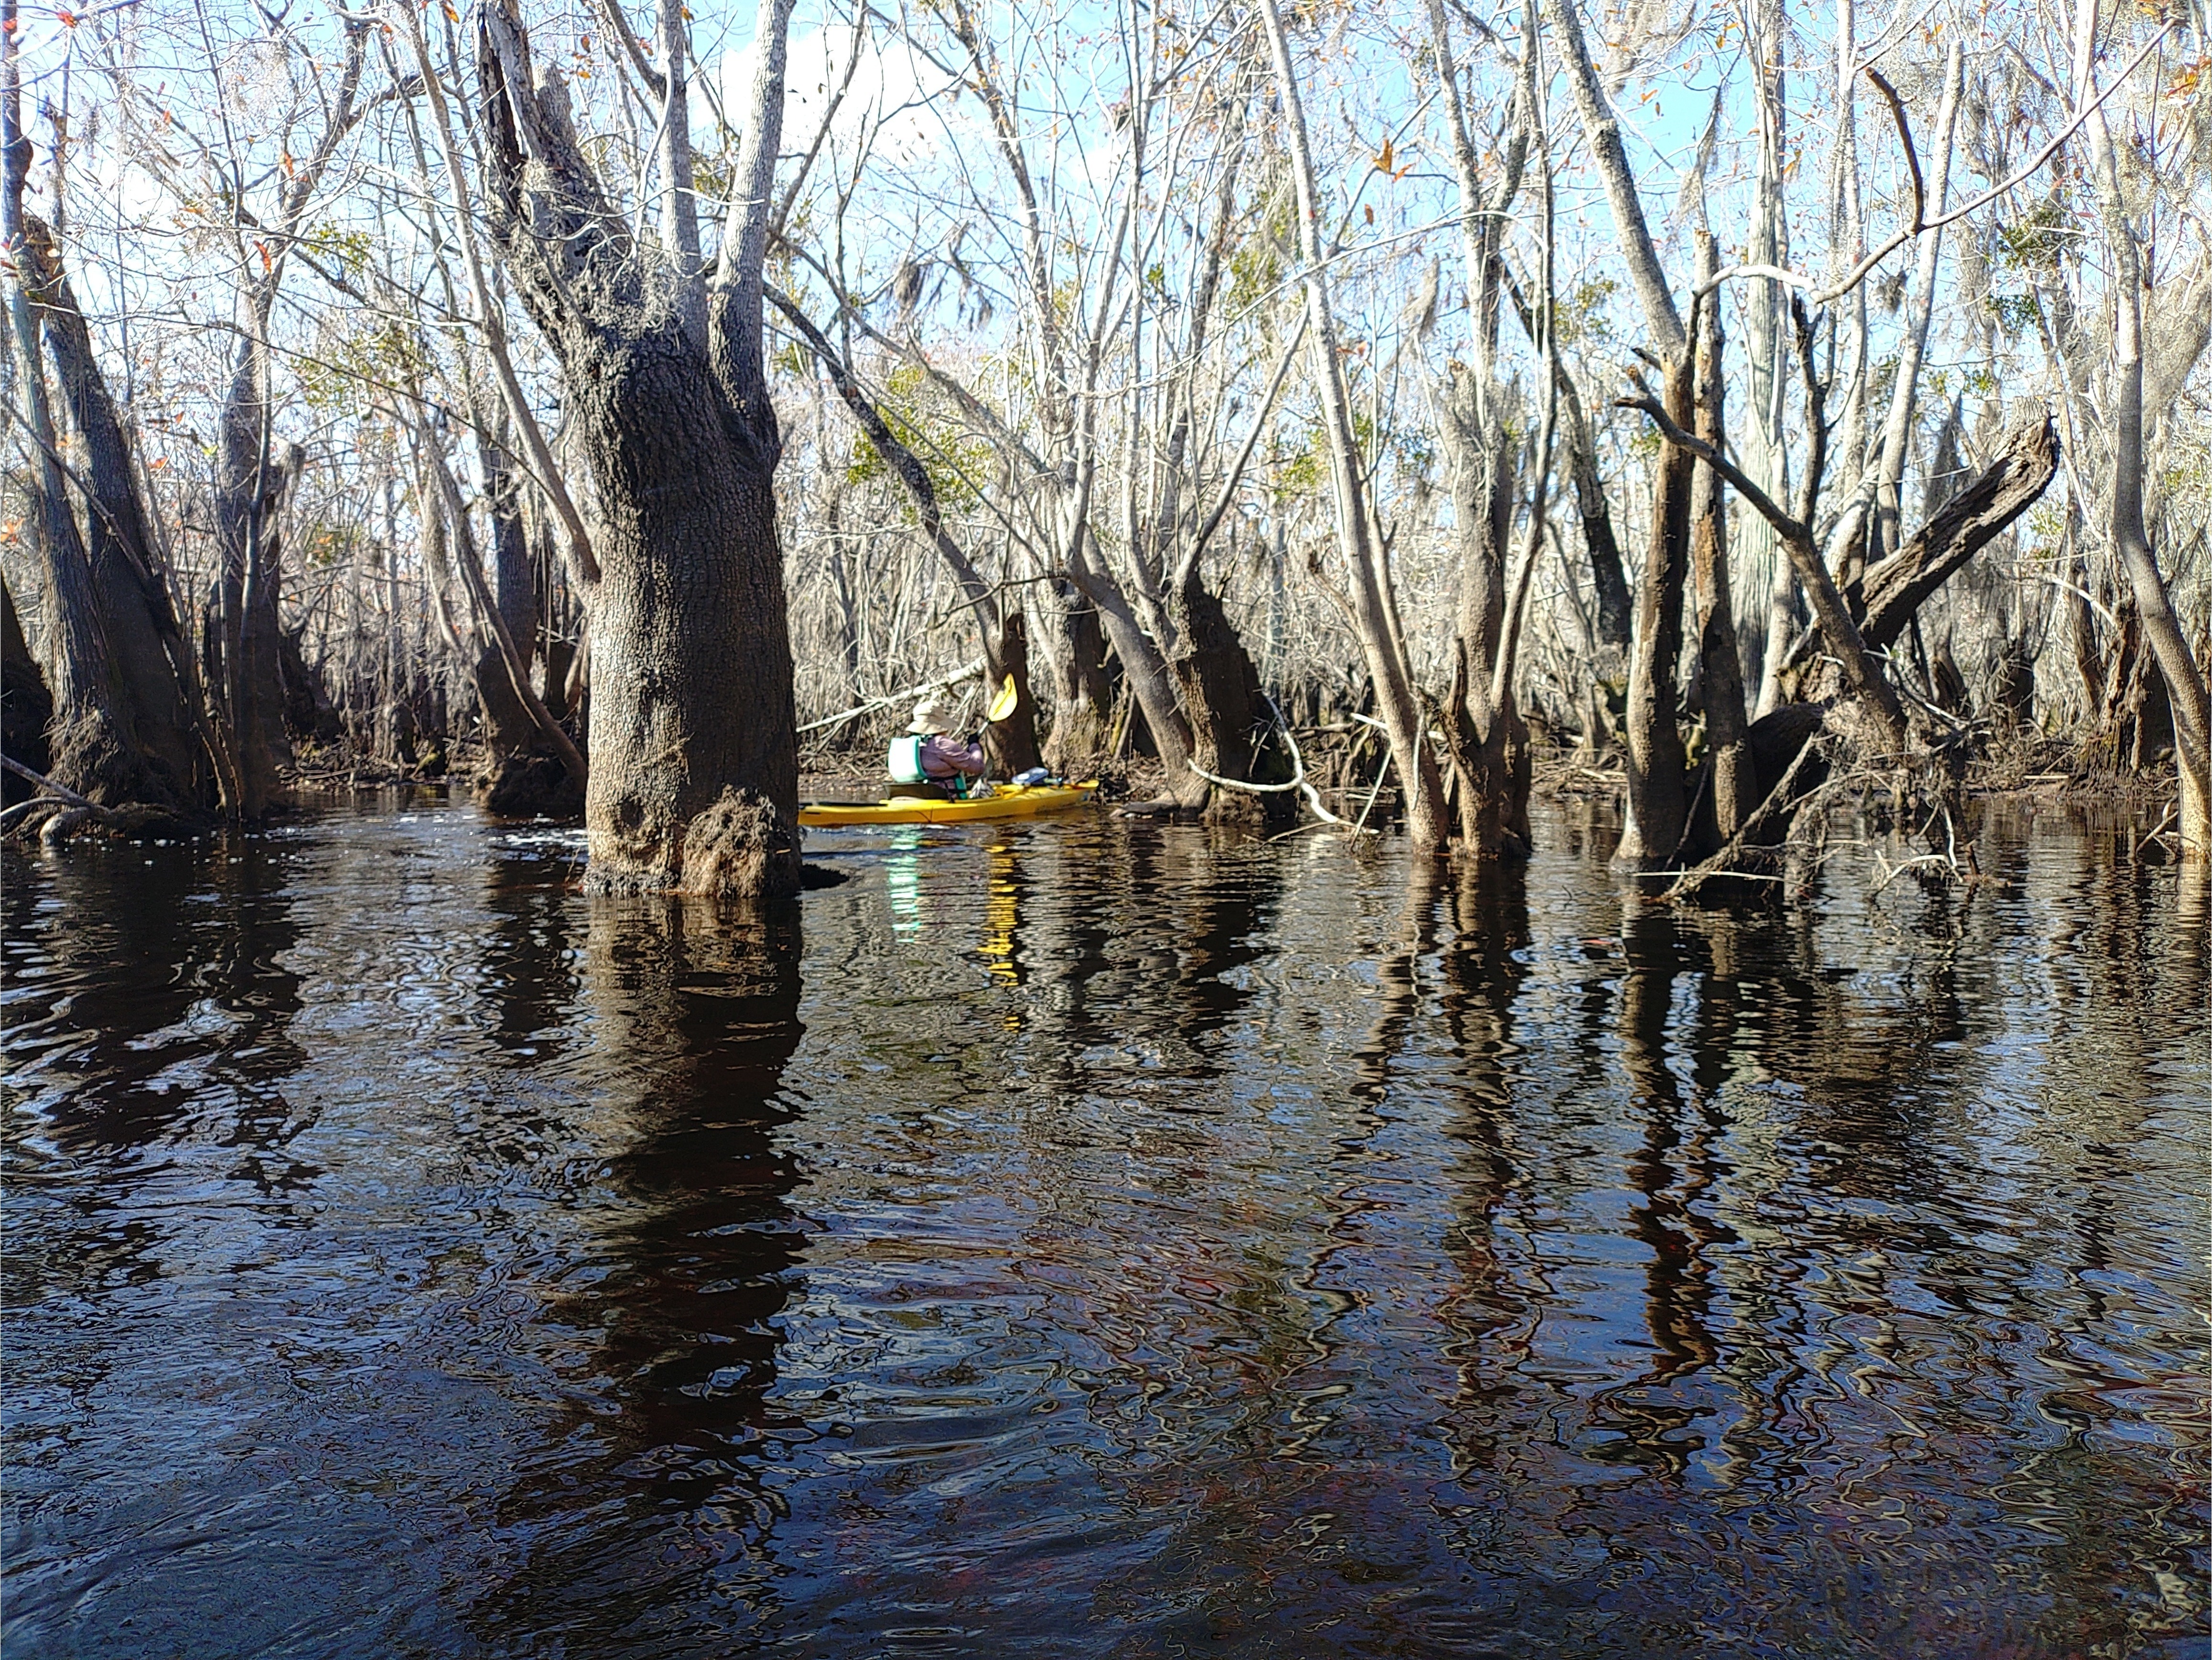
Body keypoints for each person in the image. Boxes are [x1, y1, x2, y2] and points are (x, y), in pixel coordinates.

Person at [887, 697, 988, 797]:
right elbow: (978, 767)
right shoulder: (942, 744)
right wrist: (974, 745)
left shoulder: (910, 745)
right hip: (944, 800)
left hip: (909, 798)